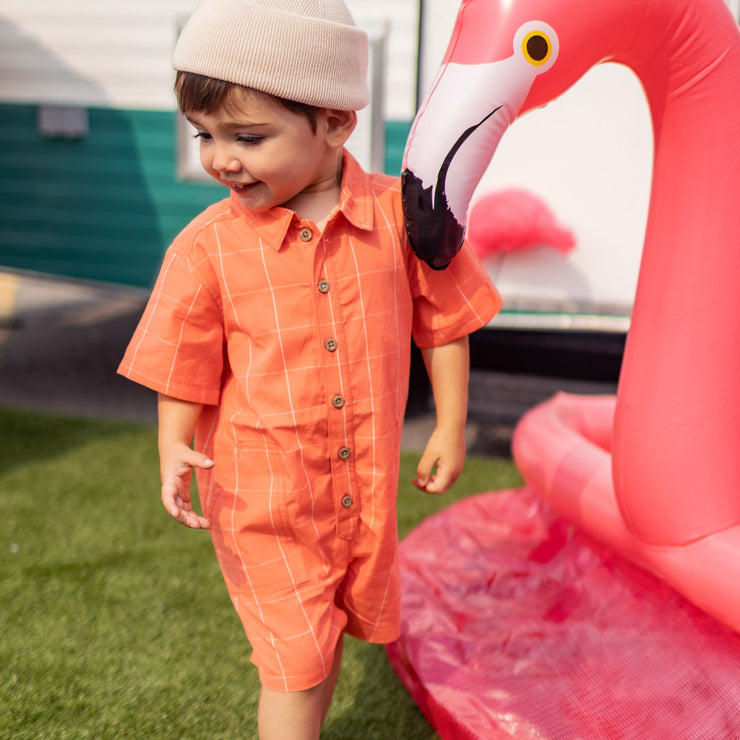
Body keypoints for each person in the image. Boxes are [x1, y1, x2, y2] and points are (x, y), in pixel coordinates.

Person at [118, 0, 502, 736]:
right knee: (292, 664)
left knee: (319, 651)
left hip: (362, 493)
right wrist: (172, 445)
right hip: (264, 500)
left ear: (334, 121)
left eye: (249, 136)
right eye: (206, 135)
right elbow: (183, 362)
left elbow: (443, 323)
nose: (221, 158)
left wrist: (451, 423)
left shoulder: (401, 217)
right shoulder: (208, 248)